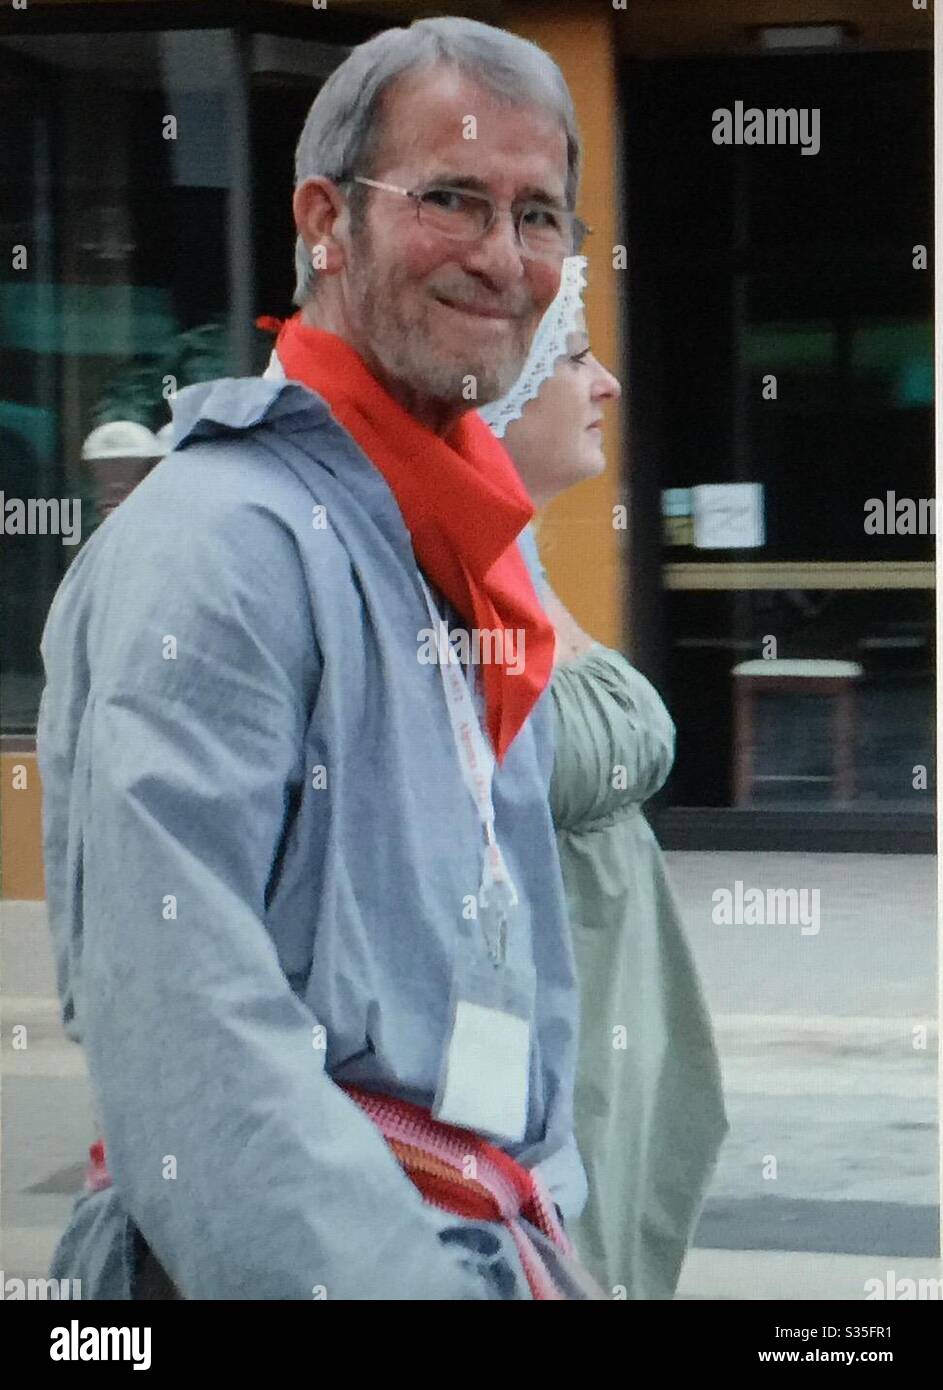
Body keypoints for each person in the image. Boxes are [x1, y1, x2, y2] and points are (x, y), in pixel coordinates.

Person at [37, 18, 604, 1301]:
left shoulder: (447, 543)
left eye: (538, 216)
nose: (502, 258)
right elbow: (190, 1032)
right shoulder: (216, 544)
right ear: (325, 222)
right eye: (452, 198)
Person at [480, 255, 729, 1298]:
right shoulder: (441, 583)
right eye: (576, 356)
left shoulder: (520, 555)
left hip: (620, 1056)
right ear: (502, 391)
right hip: (547, 1076)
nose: (607, 382)